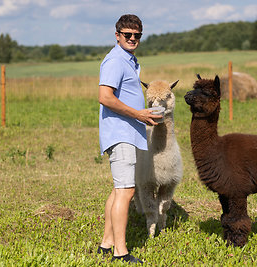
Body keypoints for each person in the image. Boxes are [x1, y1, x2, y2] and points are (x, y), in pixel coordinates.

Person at [97, 14, 161, 264]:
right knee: (126, 191)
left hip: (127, 132)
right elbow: (105, 97)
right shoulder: (115, 61)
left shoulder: (129, 61)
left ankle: (107, 244)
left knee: (118, 190)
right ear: (117, 35)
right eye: (127, 35)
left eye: (137, 35)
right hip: (120, 133)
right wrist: (138, 114)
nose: (132, 39)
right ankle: (120, 253)